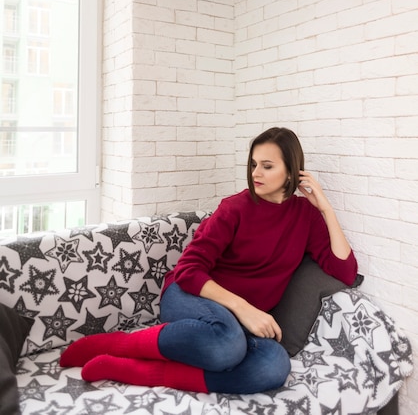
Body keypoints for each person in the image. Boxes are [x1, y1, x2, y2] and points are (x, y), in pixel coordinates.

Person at [60, 126, 358, 394]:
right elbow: (188, 271)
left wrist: (326, 209)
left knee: (274, 367)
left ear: (292, 173)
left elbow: (344, 271)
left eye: (267, 166)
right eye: (254, 164)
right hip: (190, 296)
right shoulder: (234, 208)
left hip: (237, 322)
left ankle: (141, 372)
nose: (256, 173)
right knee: (226, 344)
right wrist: (244, 309)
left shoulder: (306, 216)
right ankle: (120, 345)